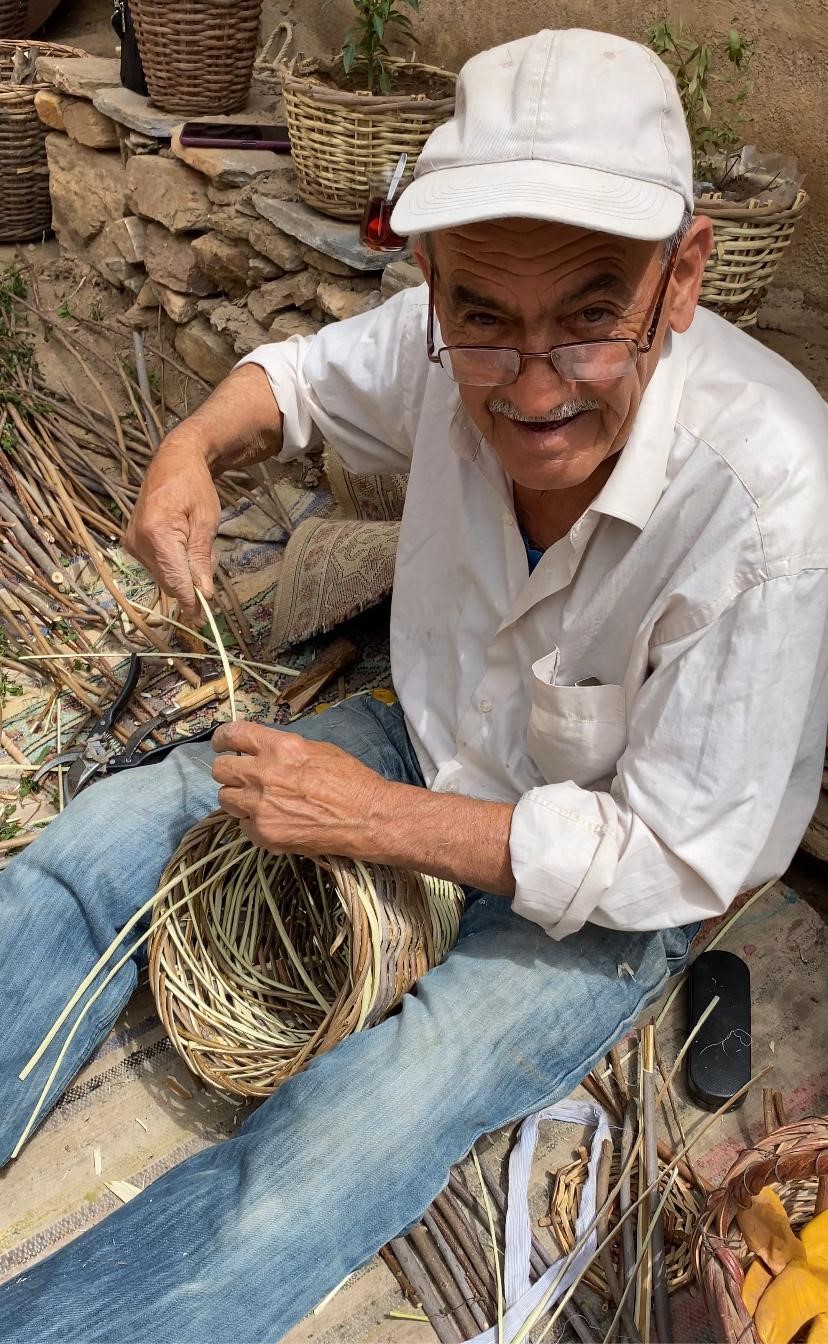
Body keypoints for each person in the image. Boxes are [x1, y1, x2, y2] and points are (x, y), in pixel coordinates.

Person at [1, 27, 826, 1342]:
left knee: (366, 1121)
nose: (533, 383)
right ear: (434, 285)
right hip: (420, 735)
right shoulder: (444, 348)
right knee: (110, 840)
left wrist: (373, 825)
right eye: (482, 318)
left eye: (593, 320)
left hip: (606, 889)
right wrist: (194, 447)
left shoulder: (771, 498)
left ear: (684, 283)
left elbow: (679, 855)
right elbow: (300, 382)